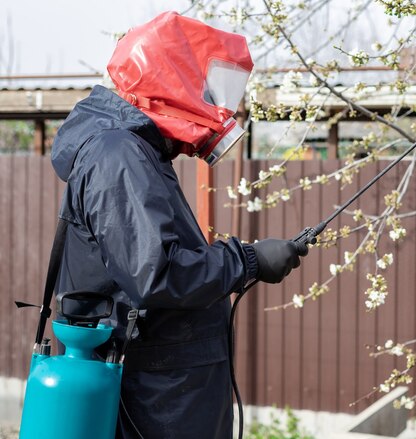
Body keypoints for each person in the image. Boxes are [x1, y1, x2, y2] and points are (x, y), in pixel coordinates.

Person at [50, 11, 307, 439]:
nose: (219, 106)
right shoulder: (118, 155)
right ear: (174, 82)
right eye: (207, 89)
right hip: (153, 401)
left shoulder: (134, 151)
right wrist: (248, 260)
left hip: (162, 393)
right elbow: (158, 274)